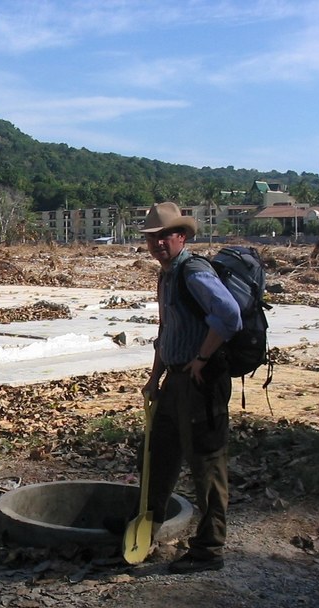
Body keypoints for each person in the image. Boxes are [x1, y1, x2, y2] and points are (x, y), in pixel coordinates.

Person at [138, 201, 242, 574]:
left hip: (201, 381)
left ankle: (209, 549)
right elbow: (166, 331)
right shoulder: (166, 275)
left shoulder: (194, 271)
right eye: (153, 237)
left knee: (207, 464)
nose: (159, 243)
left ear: (181, 236)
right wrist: (154, 378)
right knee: (157, 455)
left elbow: (229, 315)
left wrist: (202, 357)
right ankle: (146, 527)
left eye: (166, 236)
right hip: (174, 380)